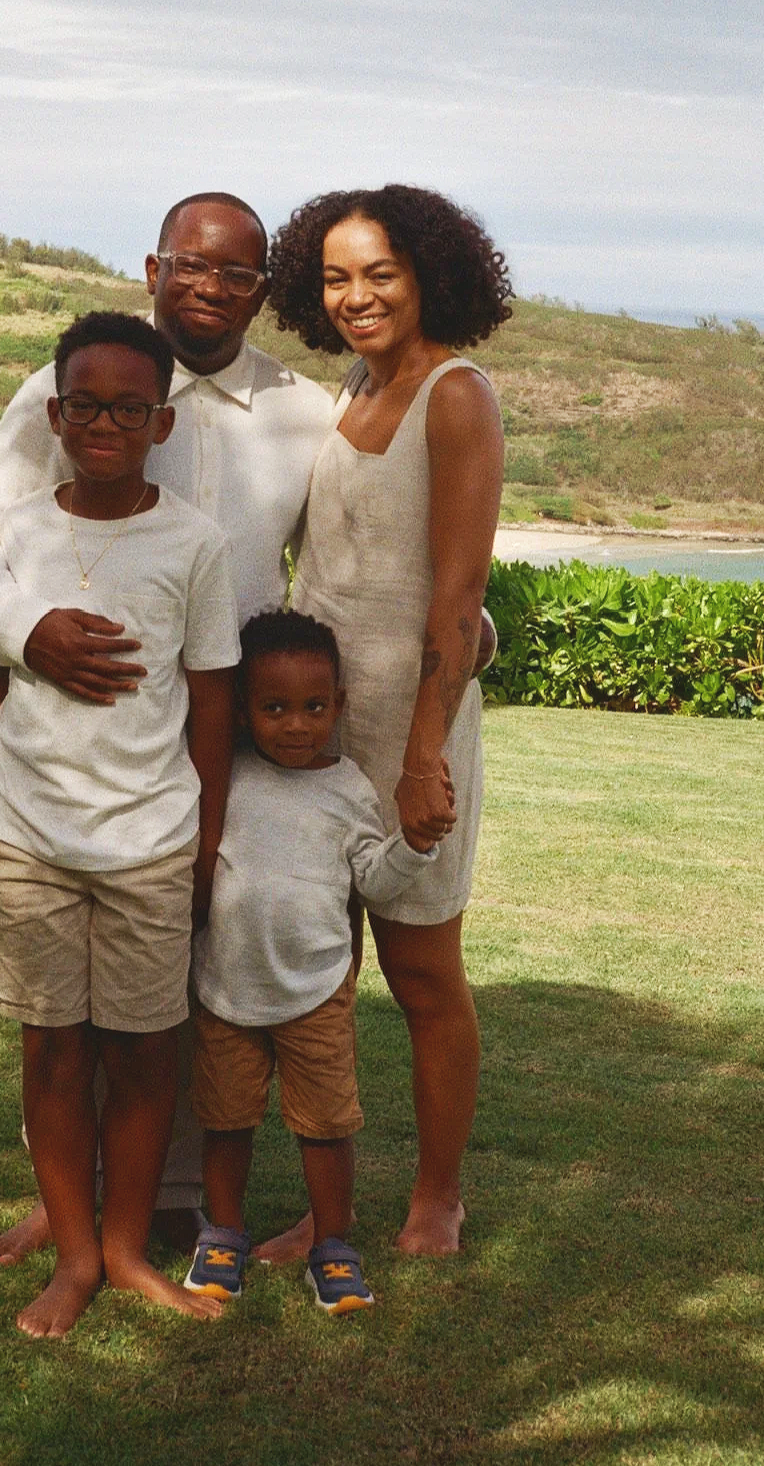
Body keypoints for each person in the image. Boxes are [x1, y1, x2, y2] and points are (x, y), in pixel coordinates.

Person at [0, 193, 336, 1264]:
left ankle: (180, 1204)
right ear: (153, 266)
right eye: (189, 266)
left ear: (262, 289)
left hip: (225, 732)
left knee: (195, 986)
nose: (208, 287)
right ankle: (70, 1206)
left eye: (236, 274)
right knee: (61, 1011)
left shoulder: (307, 413)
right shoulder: (62, 387)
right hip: (69, 738)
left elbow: (341, 556)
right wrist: (26, 631)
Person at [0, 310, 239, 1338]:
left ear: (161, 423)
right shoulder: (16, 536)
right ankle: (75, 1256)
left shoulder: (195, 544)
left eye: (128, 407)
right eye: (84, 404)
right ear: (55, 411)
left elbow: (210, 699)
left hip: (150, 844)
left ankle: (123, 1250)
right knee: (53, 1052)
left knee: (149, 1051)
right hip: (30, 836)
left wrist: (203, 847)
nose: (103, 422)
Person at [266, 184, 511, 1258]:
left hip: (413, 735)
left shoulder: (456, 397)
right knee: (320, 978)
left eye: (380, 272)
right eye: (335, 276)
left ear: (428, 275)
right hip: (315, 738)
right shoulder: (349, 390)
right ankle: (326, 1210)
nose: (357, 295)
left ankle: (437, 1196)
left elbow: (456, 602)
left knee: (423, 977)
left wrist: (422, 759)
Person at [183, 610, 448, 1316]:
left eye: (313, 707)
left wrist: (414, 845)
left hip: (317, 991)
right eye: (273, 707)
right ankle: (224, 1234)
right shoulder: (226, 773)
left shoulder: (350, 788)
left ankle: (333, 1244)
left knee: (326, 1126)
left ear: (339, 706)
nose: (295, 725)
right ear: (243, 708)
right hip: (225, 986)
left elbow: (375, 880)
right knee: (226, 1120)